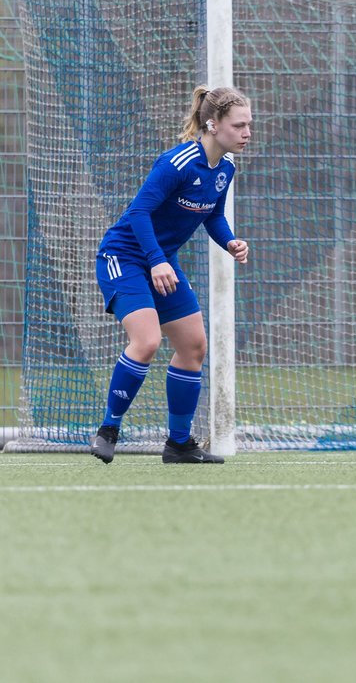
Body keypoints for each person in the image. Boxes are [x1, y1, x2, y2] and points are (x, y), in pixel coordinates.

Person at [89, 86, 253, 464]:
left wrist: (229, 242)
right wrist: (157, 260)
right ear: (213, 125)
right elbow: (138, 214)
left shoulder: (225, 169)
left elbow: (211, 215)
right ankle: (108, 429)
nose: (247, 133)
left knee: (194, 346)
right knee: (146, 342)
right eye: (239, 125)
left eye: (249, 125)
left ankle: (178, 444)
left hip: (161, 260)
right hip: (126, 256)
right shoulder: (177, 162)